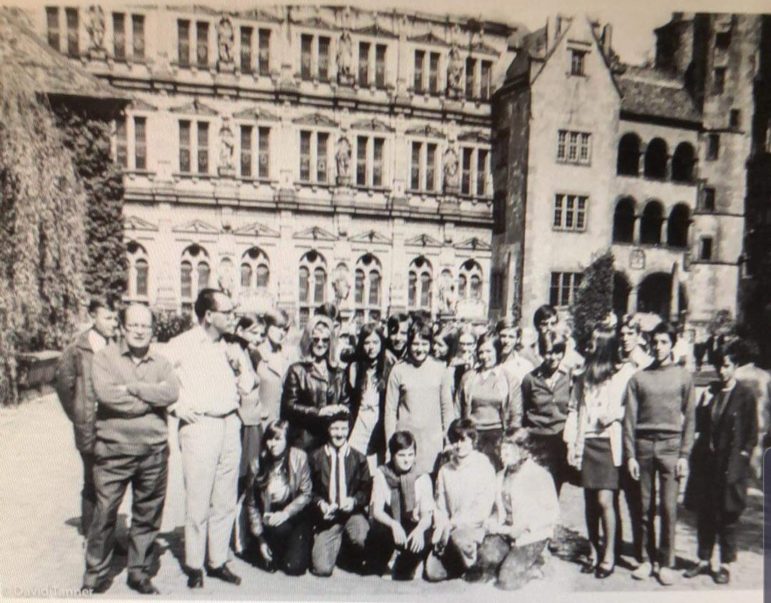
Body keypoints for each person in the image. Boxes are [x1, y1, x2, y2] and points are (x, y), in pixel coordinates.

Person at [82, 304, 179, 594]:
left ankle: (138, 572)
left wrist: (133, 388)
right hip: (113, 452)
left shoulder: (162, 363)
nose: (139, 331)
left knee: (148, 514)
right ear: (123, 328)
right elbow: (109, 397)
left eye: (145, 326)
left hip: (153, 453)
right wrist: (151, 396)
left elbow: (171, 392)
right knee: (104, 514)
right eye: (134, 325)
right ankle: (94, 574)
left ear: (153, 330)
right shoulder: (104, 359)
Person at [166, 288, 255, 588]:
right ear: (208, 316)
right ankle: (194, 564)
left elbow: (248, 386)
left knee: (225, 498)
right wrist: (175, 405)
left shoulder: (232, 345)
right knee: (198, 498)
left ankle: (217, 560)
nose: (232, 317)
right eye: (227, 312)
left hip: (230, 424)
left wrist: (239, 364)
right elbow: (156, 375)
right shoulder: (182, 344)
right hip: (200, 425)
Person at [623, 321, 695, 586]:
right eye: (655, 342)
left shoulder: (683, 377)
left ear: (672, 344)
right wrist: (630, 454)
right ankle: (645, 559)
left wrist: (684, 455)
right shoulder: (638, 378)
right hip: (643, 446)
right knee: (642, 505)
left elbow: (690, 419)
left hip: (670, 447)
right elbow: (629, 420)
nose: (659, 346)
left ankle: (665, 562)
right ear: (649, 344)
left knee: (667, 507)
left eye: (664, 342)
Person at [683, 339, 758, 585]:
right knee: (706, 512)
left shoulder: (745, 395)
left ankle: (725, 564)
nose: (721, 371)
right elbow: (700, 424)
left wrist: (744, 456)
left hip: (731, 464)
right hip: (708, 463)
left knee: (727, 516)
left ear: (735, 366)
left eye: (726, 365)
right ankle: (703, 560)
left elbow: (752, 432)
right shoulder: (711, 392)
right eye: (718, 366)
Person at [564, 326, 631, 578]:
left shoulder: (620, 375)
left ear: (604, 345)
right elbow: (573, 409)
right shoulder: (582, 376)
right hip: (587, 443)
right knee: (590, 502)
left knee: (606, 500)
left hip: (608, 444)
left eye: (593, 341)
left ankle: (609, 554)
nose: (588, 344)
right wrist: (571, 443)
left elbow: (631, 407)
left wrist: (613, 415)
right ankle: (593, 551)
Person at [55, 297, 119, 538]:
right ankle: (93, 538)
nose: (114, 323)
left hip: (113, 425)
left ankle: (108, 537)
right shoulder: (77, 349)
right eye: (108, 318)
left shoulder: (117, 346)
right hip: (89, 426)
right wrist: (79, 415)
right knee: (92, 481)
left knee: (113, 483)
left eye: (115, 318)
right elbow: (64, 385)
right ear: (93, 317)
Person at [477, 428, 558, 590]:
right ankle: (509, 558)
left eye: (510, 448)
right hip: (506, 533)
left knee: (507, 581)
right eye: (503, 448)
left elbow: (552, 514)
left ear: (524, 450)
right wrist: (491, 522)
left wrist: (526, 527)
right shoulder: (500, 476)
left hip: (531, 536)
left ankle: (536, 565)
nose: (504, 453)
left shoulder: (539, 475)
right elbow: (496, 509)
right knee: (484, 562)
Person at [425, 418, 496, 582]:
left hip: (475, 528)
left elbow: (483, 509)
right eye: (455, 440)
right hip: (450, 530)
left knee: (461, 540)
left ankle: (478, 562)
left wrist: (455, 523)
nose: (459, 445)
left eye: (464, 440)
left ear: (473, 440)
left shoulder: (483, 466)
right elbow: (440, 505)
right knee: (432, 573)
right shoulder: (445, 470)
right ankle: (461, 565)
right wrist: (442, 526)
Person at [385, 320, 454, 476]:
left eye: (424, 344)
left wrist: (448, 441)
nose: (419, 349)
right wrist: (391, 446)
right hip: (406, 443)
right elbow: (390, 411)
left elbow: (447, 408)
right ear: (409, 344)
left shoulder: (440, 369)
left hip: (433, 443)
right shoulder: (398, 370)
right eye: (415, 344)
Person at [308, 408, 372, 577]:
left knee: (362, 538)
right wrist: (320, 504)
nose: (339, 434)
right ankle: (330, 543)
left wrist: (354, 501)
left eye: (343, 429)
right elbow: (309, 491)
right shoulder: (316, 457)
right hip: (329, 518)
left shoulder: (359, 458)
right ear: (328, 429)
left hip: (352, 514)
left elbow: (366, 490)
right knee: (321, 569)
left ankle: (345, 551)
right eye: (335, 428)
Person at [245, 420, 312, 576]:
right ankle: (268, 547)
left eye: (278, 439)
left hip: (294, 513)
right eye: (269, 439)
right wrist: (260, 539)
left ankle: (298, 545)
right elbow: (251, 504)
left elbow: (306, 493)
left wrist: (286, 513)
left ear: (287, 440)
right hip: (269, 517)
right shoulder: (256, 464)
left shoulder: (299, 457)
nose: (272, 444)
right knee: (269, 565)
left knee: (294, 567)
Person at [368, 431, 434, 580]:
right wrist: (393, 524)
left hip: (414, 525)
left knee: (402, 573)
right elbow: (376, 511)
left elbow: (427, 517)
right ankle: (392, 557)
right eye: (402, 455)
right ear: (392, 454)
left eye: (410, 455)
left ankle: (416, 560)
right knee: (374, 567)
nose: (407, 460)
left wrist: (419, 530)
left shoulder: (422, 476)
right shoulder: (382, 473)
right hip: (392, 525)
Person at [281, 314, 347, 451]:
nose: (320, 344)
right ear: (308, 341)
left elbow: (346, 402)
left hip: (331, 440)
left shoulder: (338, 372)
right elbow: (289, 406)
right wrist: (318, 412)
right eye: (316, 339)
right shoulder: (297, 370)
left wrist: (343, 410)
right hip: (305, 440)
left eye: (325, 340)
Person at [459, 331, 522, 469]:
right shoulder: (468, 378)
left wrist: (509, 442)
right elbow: (458, 407)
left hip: (497, 437)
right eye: (481, 352)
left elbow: (516, 414)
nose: (484, 356)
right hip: (472, 435)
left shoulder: (509, 379)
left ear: (498, 351)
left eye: (489, 351)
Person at [521, 331, 572, 496]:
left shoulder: (569, 377)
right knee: (534, 487)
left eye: (558, 352)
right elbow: (524, 408)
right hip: (537, 439)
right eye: (549, 352)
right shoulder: (530, 379)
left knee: (554, 487)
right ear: (542, 353)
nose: (553, 357)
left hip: (559, 439)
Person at [342, 322, 394, 470]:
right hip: (360, 421)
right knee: (354, 464)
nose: (371, 347)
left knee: (374, 467)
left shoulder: (389, 366)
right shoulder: (356, 367)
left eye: (375, 342)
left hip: (379, 422)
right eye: (367, 342)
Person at [731, 338, 771, 484]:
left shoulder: (735, 375)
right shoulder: (766, 377)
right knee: (755, 469)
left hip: (738, 428)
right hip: (760, 426)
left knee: (737, 469)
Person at [255, 308, 292, 427]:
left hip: (285, 423)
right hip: (262, 422)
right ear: (267, 326)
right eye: (278, 327)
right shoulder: (256, 354)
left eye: (285, 329)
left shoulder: (290, 355)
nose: (282, 332)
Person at [496, 318, 534, 386]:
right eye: (503, 336)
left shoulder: (525, 367)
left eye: (511, 337)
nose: (506, 341)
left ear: (517, 339)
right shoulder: (490, 362)